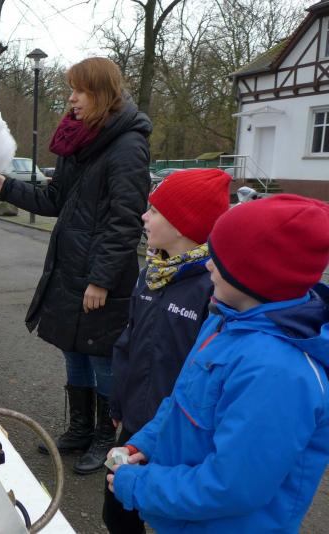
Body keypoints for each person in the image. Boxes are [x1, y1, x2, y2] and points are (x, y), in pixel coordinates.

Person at [107, 194, 329, 533]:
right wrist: (146, 442)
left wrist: (139, 486)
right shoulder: (225, 319)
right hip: (189, 518)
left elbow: (231, 486)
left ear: (253, 275)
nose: (208, 264)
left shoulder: (278, 374)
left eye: (219, 259)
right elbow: (182, 401)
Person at [0, 57, 151, 474]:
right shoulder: (77, 141)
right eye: (71, 90)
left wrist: (101, 280)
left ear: (101, 94)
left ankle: (106, 437)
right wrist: (8, 187)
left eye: (80, 90)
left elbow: (126, 221)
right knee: (73, 350)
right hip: (68, 269)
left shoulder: (128, 145)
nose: (72, 98)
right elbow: (55, 200)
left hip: (101, 277)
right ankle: (79, 429)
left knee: (101, 357)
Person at [103, 168, 231, 533]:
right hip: (135, 423)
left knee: (169, 515)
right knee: (117, 512)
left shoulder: (212, 289)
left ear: (182, 224)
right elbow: (128, 342)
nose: (144, 216)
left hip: (178, 429)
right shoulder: (150, 274)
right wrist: (118, 404)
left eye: (155, 210)